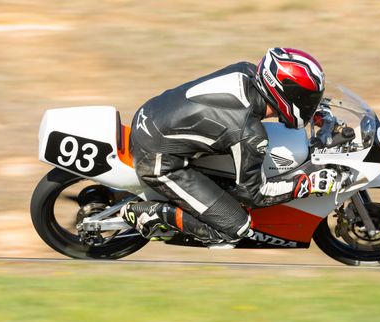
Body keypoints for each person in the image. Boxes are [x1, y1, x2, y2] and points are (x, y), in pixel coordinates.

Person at [120, 47, 338, 248]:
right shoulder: (249, 133)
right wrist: (308, 184)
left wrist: (317, 115)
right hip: (158, 160)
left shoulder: (247, 71)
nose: (310, 104)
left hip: (150, 114)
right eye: (307, 98)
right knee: (235, 227)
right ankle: (153, 215)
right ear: (287, 93)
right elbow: (255, 194)